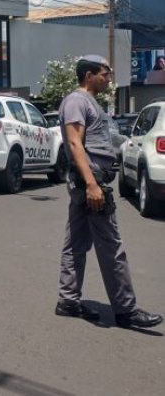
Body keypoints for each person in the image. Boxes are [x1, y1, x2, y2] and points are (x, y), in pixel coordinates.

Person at [56, 55, 162, 329]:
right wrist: (92, 184)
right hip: (90, 183)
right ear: (89, 74)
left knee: (75, 244)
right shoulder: (77, 101)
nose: (109, 77)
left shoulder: (90, 102)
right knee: (111, 246)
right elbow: (74, 144)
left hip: (88, 181)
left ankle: (68, 300)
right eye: (105, 73)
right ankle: (126, 310)